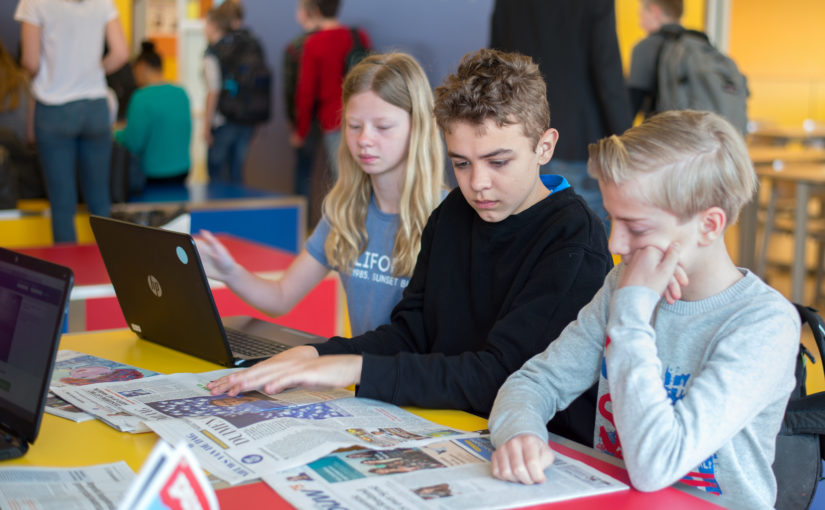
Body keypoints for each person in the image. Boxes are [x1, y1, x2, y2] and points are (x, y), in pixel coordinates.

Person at [207, 50, 613, 444]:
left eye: (498, 162)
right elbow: (411, 331)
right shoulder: (454, 213)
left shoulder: (573, 237)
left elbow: (503, 375)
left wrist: (355, 368)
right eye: (461, 163)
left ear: (544, 146)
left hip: (547, 448)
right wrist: (314, 356)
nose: (478, 184)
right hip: (446, 423)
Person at [488, 110, 799, 510]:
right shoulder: (624, 284)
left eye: (637, 228)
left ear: (709, 225)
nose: (615, 243)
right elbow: (532, 384)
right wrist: (520, 434)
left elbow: (655, 467)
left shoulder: (765, 325)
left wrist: (632, 316)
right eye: (612, 219)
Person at [197, 52, 445, 338]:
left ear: (417, 128)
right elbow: (281, 296)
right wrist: (230, 272)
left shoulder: (445, 218)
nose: (364, 139)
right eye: (354, 126)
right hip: (362, 379)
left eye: (382, 127)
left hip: (407, 379)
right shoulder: (345, 211)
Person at [489, 0, 632, 227]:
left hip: (520, 141)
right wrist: (627, 145)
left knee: (524, 246)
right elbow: (607, 74)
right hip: (577, 144)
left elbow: (494, 69)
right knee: (582, 248)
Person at [15, 0, 128, 243]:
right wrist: (94, 71)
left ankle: (70, 276)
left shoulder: (34, 2)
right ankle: (114, 273)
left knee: (62, 204)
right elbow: (121, 53)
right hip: (95, 106)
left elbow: (30, 61)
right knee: (100, 200)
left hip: (54, 108)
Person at [291, 0, 371, 181]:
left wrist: (301, 131)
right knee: (364, 177)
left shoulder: (313, 44)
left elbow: (305, 93)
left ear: (315, 10)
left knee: (343, 180)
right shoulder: (358, 36)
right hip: (364, 115)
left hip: (333, 119)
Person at [114, 41, 191, 192]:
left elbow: (133, 142)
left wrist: (115, 133)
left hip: (154, 175)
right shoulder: (181, 93)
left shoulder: (141, 97)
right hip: (182, 172)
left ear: (142, 68)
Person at [202, 4, 265, 185]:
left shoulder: (214, 52)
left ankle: (218, 214)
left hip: (223, 122)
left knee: (217, 178)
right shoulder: (249, 46)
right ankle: (238, 213)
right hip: (246, 120)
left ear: (215, 25)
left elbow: (213, 90)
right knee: (237, 176)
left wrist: (206, 126)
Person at [284, 0, 322, 212]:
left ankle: (303, 222)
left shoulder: (296, 47)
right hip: (334, 119)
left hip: (306, 120)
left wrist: (295, 124)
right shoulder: (341, 40)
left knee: (303, 173)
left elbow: (292, 89)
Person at [627, 0, 683, 117]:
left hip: (662, 132)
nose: (640, 23)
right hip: (698, 133)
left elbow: (629, 109)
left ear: (654, 11)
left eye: (641, 15)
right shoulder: (701, 45)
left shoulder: (646, 47)